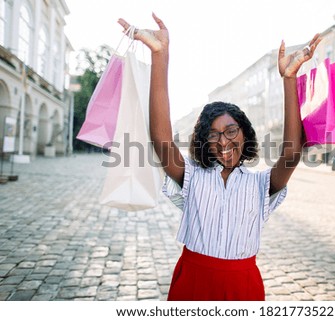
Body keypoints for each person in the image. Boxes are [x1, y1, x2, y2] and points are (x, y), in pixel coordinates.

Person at [118, 13, 321, 301]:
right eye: (213, 134)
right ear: (204, 141)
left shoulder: (260, 185)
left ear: (244, 134)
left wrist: (289, 79)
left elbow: (291, 153)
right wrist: (160, 55)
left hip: (243, 285)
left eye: (230, 131)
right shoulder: (191, 176)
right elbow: (162, 141)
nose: (223, 141)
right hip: (193, 281)